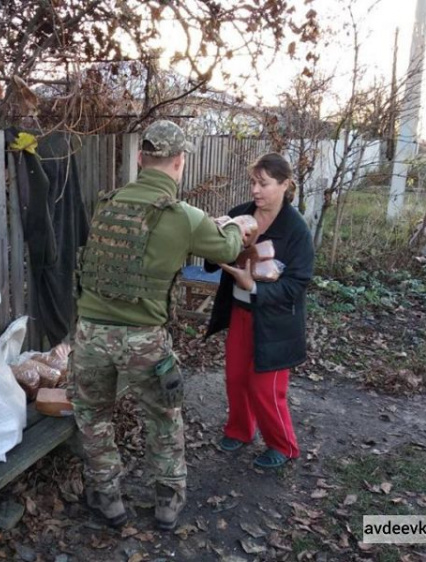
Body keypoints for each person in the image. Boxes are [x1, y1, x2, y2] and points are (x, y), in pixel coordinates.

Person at [70, 120, 256, 531]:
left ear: (140, 159)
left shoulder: (108, 203)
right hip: (143, 342)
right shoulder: (184, 217)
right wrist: (234, 225)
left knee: (93, 416)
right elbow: (226, 248)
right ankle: (167, 502)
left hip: (90, 335)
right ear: (180, 163)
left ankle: (107, 498)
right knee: (163, 418)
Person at [205, 152, 314, 469]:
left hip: (278, 323)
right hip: (240, 312)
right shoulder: (240, 215)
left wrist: (253, 285)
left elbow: (297, 285)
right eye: (253, 182)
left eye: (263, 184)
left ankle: (283, 445)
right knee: (236, 377)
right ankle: (239, 431)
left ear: (284, 185)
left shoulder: (296, 231)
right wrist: (215, 237)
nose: (255, 190)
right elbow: (214, 261)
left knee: (265, 388)